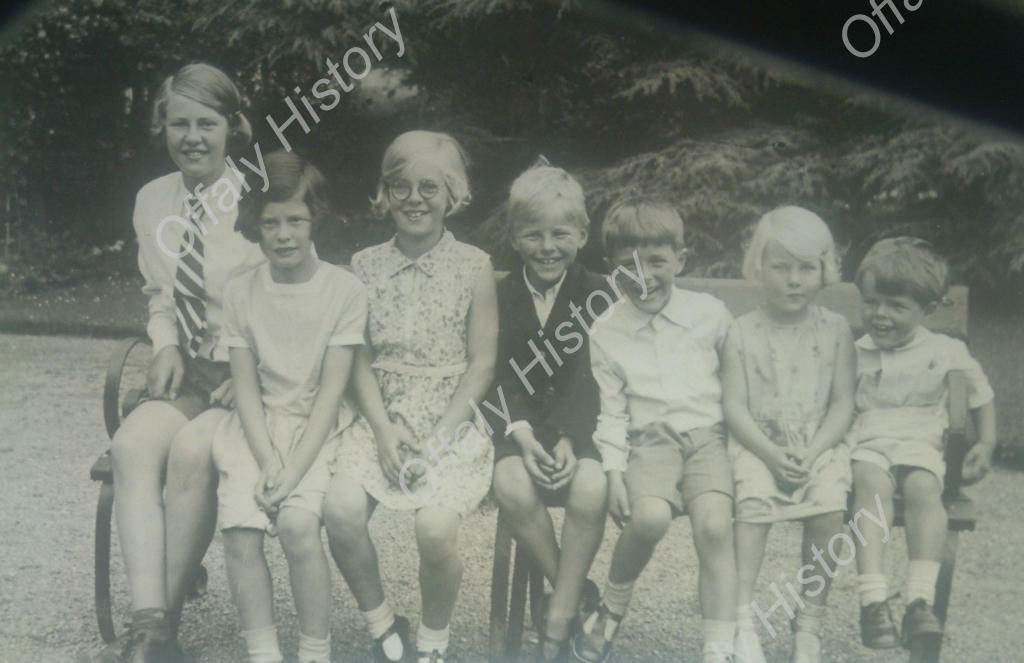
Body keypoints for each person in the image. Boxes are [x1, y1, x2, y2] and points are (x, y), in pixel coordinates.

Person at [85, 63, 264, 663]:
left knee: (192, 456)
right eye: (178, 122)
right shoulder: (151, 201)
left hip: (247, 378)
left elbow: (289, 299)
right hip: (184, 369)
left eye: (206, 124)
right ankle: (152, 626)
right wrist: (163, 343)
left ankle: (162, 615)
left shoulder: (259, 193)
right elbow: (160, 292)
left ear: (231, 127)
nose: (192, 137)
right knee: (133, 447)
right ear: (162, 125)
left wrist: (254, 379)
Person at [322, 130, 498, 663]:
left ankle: (432, 644)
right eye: (401, 187)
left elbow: (482, 363)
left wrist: (441, 438)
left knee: (436, 527)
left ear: (452, 195)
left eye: (430, 187)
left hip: (452, 417)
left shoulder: (474, 265)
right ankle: (383, 629)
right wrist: (381, 429)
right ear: (385, 193)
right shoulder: (364, 265)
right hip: (382, 412)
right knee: (340, 509)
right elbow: (358, 356)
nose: (415, 199)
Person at [212, 150, 366, 663]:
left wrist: (293, 467)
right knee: (239, 530)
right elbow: (246, 389)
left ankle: (314, 651)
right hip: (257, 432)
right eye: (269, 223)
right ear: (255, 227)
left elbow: (331, 393)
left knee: (299, 526)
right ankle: (263, 653)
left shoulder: (343, 290)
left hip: (316, 432)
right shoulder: (241, 292)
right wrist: (268, 461)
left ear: (314, 219)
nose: (283, 235)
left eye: (295, 221)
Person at [572, 198, 737, 663]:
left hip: (709, 439)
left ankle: (719, 646)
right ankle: (611, 607)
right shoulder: (606, 330)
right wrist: (613, 472)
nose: (643, 275)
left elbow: (739, 390)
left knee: (714, 525)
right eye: (629, 264)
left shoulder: (711, 315)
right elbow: (613, 414)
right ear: (611, 268)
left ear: (681, 260)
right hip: (650, 442)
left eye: (658, 261)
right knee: (648, 518)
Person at [721, 207, 856, 663]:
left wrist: (814, 449)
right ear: (759, 268)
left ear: (824, 270)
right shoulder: (741, 332)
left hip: (819, 442)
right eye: (781, 267)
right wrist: (772, 453)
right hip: (759, 445)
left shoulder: (835, 330)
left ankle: (810, 621)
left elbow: (843, 403)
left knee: (829, 506)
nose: (794, 280)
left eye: (806, 268)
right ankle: (740, 619)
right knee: (752, 504)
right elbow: (734, 407)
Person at [848, 237, 996, 650]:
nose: (881, 315)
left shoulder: (946, 350)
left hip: (920, 442)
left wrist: (986, 442)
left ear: (927, 310)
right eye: (873, 302)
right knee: (870, 484)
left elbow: (981, 395)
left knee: (923, 488)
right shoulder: (853, 352)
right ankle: (872, 599)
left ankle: (919, 600)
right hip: (868, 441)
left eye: (897, 307)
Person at [486, 165, 609, 662]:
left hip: (582, 427)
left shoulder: (600, 292)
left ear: (581, 234)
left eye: (561, 234)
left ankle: (555, 619)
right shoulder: (497, 294)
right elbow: (491, 373)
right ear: (514, 237)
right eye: (532, 234)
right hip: (516, 428)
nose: (547, 246)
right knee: (511, 484)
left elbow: (597, 373)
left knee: (592, 486)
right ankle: (574, 598)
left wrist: (567, 435)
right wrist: (521, 433)